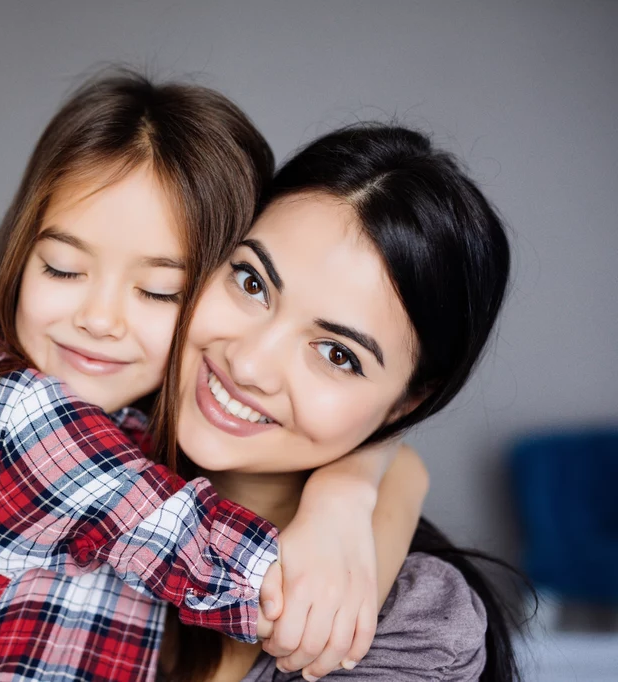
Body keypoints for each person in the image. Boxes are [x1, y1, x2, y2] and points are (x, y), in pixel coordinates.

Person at [0, 73, 427, 682]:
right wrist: (364, 483)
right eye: (62, 269)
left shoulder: (128, 427)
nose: (99, 319)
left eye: (157, 290)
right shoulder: (21, 413)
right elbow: (289, 599)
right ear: (19, 255)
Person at [158, 124, 520, 681]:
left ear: (405, 405)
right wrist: (354, 484)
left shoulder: (410, 627)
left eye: (337, 354)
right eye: (252, 283)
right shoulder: (62, 463)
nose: (249, 365)